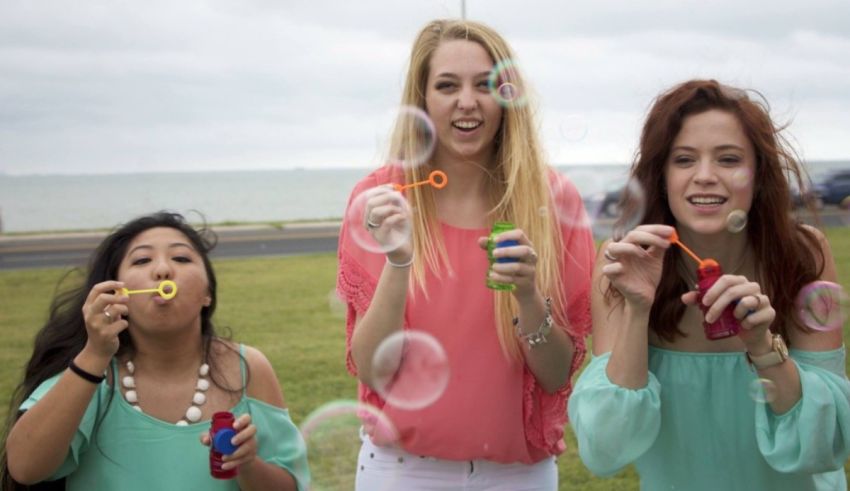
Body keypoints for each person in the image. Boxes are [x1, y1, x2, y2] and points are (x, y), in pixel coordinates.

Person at [336, 19, 594, 490]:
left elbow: (556, 375)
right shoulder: (380, 199)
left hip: (519, 477)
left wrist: (528, 295)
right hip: (400, 471)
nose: (467, 101)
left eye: (485, 85)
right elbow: (375, 368)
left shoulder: (555, 200)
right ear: (422, 99)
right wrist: (398, 262)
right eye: (447, 85)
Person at [568, 79, 850, 490]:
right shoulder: (623, 262)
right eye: (684, 160)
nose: (705, 176)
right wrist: (636, 310)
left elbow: (826, 444)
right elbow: (607, 447)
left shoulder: (802, 255)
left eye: (728, 159)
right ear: (661, 176)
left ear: (759, 175)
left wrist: (762, 346)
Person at [1, 212, 310, 491]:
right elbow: (26, 468)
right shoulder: (95, 371)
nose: (163, 270)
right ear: (116, 292)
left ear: (207, 294)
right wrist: (95, 354)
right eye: (142, 261)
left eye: (181, 259)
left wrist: (247, 465)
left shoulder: (247, 367)